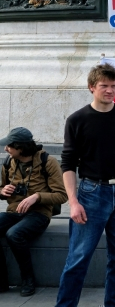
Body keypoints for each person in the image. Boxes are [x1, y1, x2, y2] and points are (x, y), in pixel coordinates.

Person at [55, 63, 115, 307]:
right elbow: (67, 164)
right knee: (78, 258)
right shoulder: (77, 120)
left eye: (113, 86)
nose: (110, 90)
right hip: (91, 194)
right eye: (104, 86)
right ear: (91, 87)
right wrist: (73, 202)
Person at [0, 127, 67, 296]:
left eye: (9, 146)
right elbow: (1, 187)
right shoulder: (8, 162)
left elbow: (61, 195)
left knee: (14, 234)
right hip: (14, 211)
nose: (5, 149)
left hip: (39, 213)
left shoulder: (47, 161)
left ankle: (28, 279)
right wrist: (2, 191)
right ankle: (2, 281)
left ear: (20, 148)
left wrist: (37, 196)